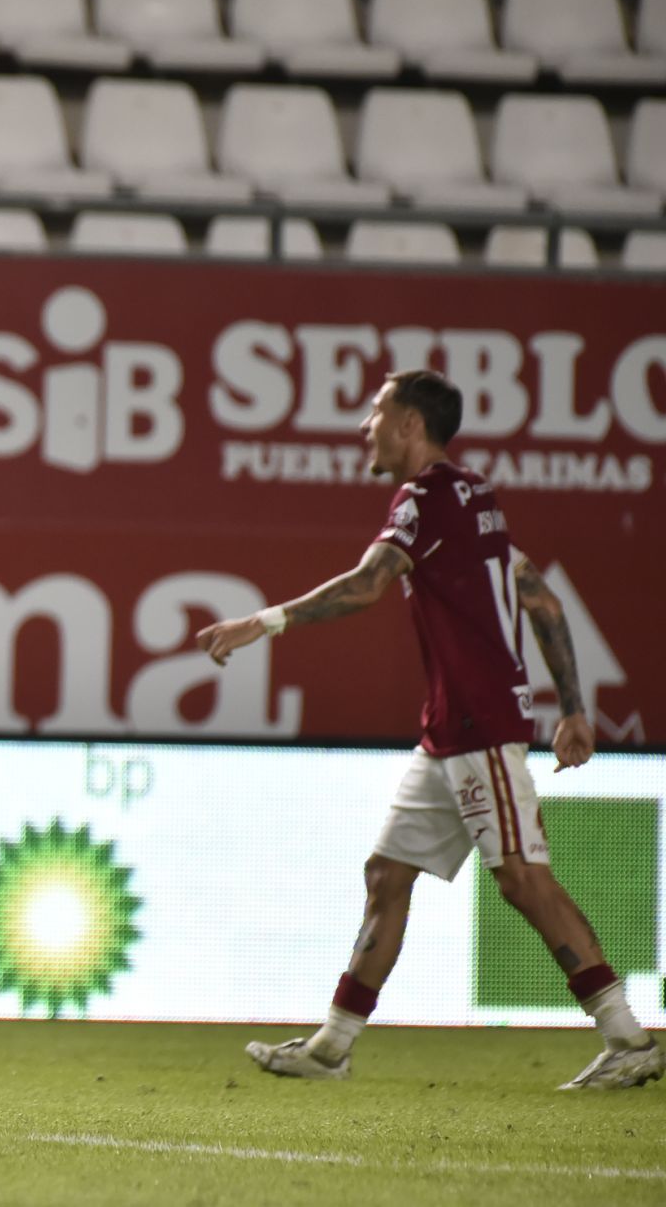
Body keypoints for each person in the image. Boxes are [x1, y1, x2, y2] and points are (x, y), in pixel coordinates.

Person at [196, 369, 662, 1091]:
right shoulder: (473, 496)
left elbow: (368, 582)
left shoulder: (424, 500)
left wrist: (262, 622)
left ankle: (627, 1037)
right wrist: (572, 705)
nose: (365, 428)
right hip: (448, 732)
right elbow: (537, 595)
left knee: (522, 880)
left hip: (479, 724)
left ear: (410, 426)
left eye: (377, 414)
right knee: (387, 874)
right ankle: (332, 1047)